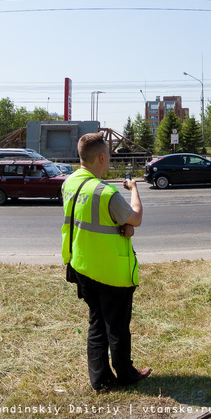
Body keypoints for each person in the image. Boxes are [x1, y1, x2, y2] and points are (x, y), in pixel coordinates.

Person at [61, 132, 151, 391]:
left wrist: (122, 226)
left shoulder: (69, 183)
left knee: (97, 323)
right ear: (101, 157)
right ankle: (125, 374)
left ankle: (99, 380)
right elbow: (135, 217)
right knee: (118, 327)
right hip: (110, 271)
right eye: (109, 155)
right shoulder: (105, 193)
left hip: (81, 266)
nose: (110, 159)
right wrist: (134, 190)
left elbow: (87, 221)